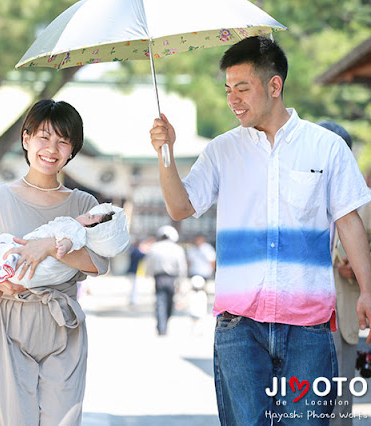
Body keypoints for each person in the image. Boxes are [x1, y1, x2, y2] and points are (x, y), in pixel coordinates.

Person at [149, 36, 371, 424]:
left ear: (274, 86)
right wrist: (165, 153)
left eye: (243, 88)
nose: (233, 99)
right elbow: (181, 207)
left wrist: (369, 290)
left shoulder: (326, 148)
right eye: (228, 89)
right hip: (239, 327)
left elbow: (349, 222)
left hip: (309, 328)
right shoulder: (221, 150)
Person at [0, 99, 109, 425]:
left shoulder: (84, 203)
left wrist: (52, 246)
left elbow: (99, 263)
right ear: (26, 139)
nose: (51, 148)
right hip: (8, 320)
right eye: (43, 136)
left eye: (63, 140)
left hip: (63, 322)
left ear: (73, 150)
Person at [0, 203, 129, 314]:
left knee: (4, 242)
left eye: (88, 217)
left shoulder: (76, 227)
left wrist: (56, 247)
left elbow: (69, 240)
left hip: (24, 268)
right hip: (28, 280)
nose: (84, 215)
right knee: (4, 273)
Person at [318, 121, 371, 426]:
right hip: (298, 315)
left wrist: (361, 268)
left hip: (344, 312)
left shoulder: (365, 201)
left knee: (339, 405)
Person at [144, 225, 187, 335]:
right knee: (169, 302)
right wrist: (181, 281)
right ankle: (165, 324)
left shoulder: (154, 247)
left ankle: (161, 327)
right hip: (171, 278)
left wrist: (147, 274)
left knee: (160, 302)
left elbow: (149, 263)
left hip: (159, 278)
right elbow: (182, 267)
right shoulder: (177, 249)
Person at [126, 238, 147, 306]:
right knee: (134, 288)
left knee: (134, 287)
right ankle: (133, 301)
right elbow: (144, 256)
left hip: (133, 271)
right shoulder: (135, 251)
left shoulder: (133, 250)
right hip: (134, 272)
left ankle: (133, 300)